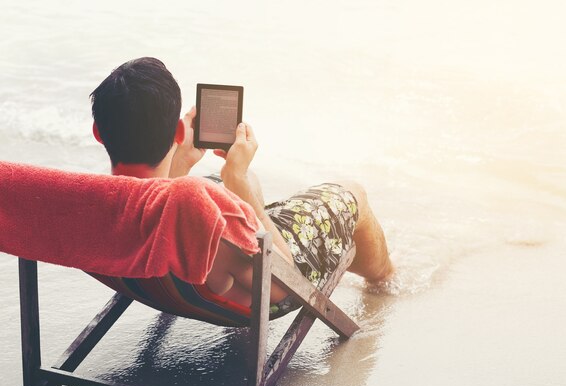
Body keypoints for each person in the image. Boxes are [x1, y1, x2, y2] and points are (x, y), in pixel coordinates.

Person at [90, 57, 394, 315]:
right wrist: (237, 179)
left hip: (166, 287)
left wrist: (181, 163)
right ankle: (384, 280)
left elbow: (157, 205)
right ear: (180, 131)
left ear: (98, 132)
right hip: (261, 293)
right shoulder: (199, 214)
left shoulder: (82, 204)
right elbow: (283, 274)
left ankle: (258, 208)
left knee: (238, 183)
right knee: (353, 193)